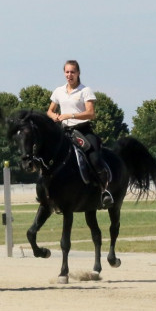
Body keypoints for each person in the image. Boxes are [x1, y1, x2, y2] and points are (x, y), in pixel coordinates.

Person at [47, 60, 113, 208]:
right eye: (67, 72)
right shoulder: (58, 91)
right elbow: (50, 110)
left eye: (72, 72)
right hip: (65, 132)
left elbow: (91, 113)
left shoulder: (85, 90)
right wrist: (54, 116)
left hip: (83, 131)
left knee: (94, 158)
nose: (69, 75)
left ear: (78, 73)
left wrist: (70, 115)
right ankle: (48, 192)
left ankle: (105, 191)